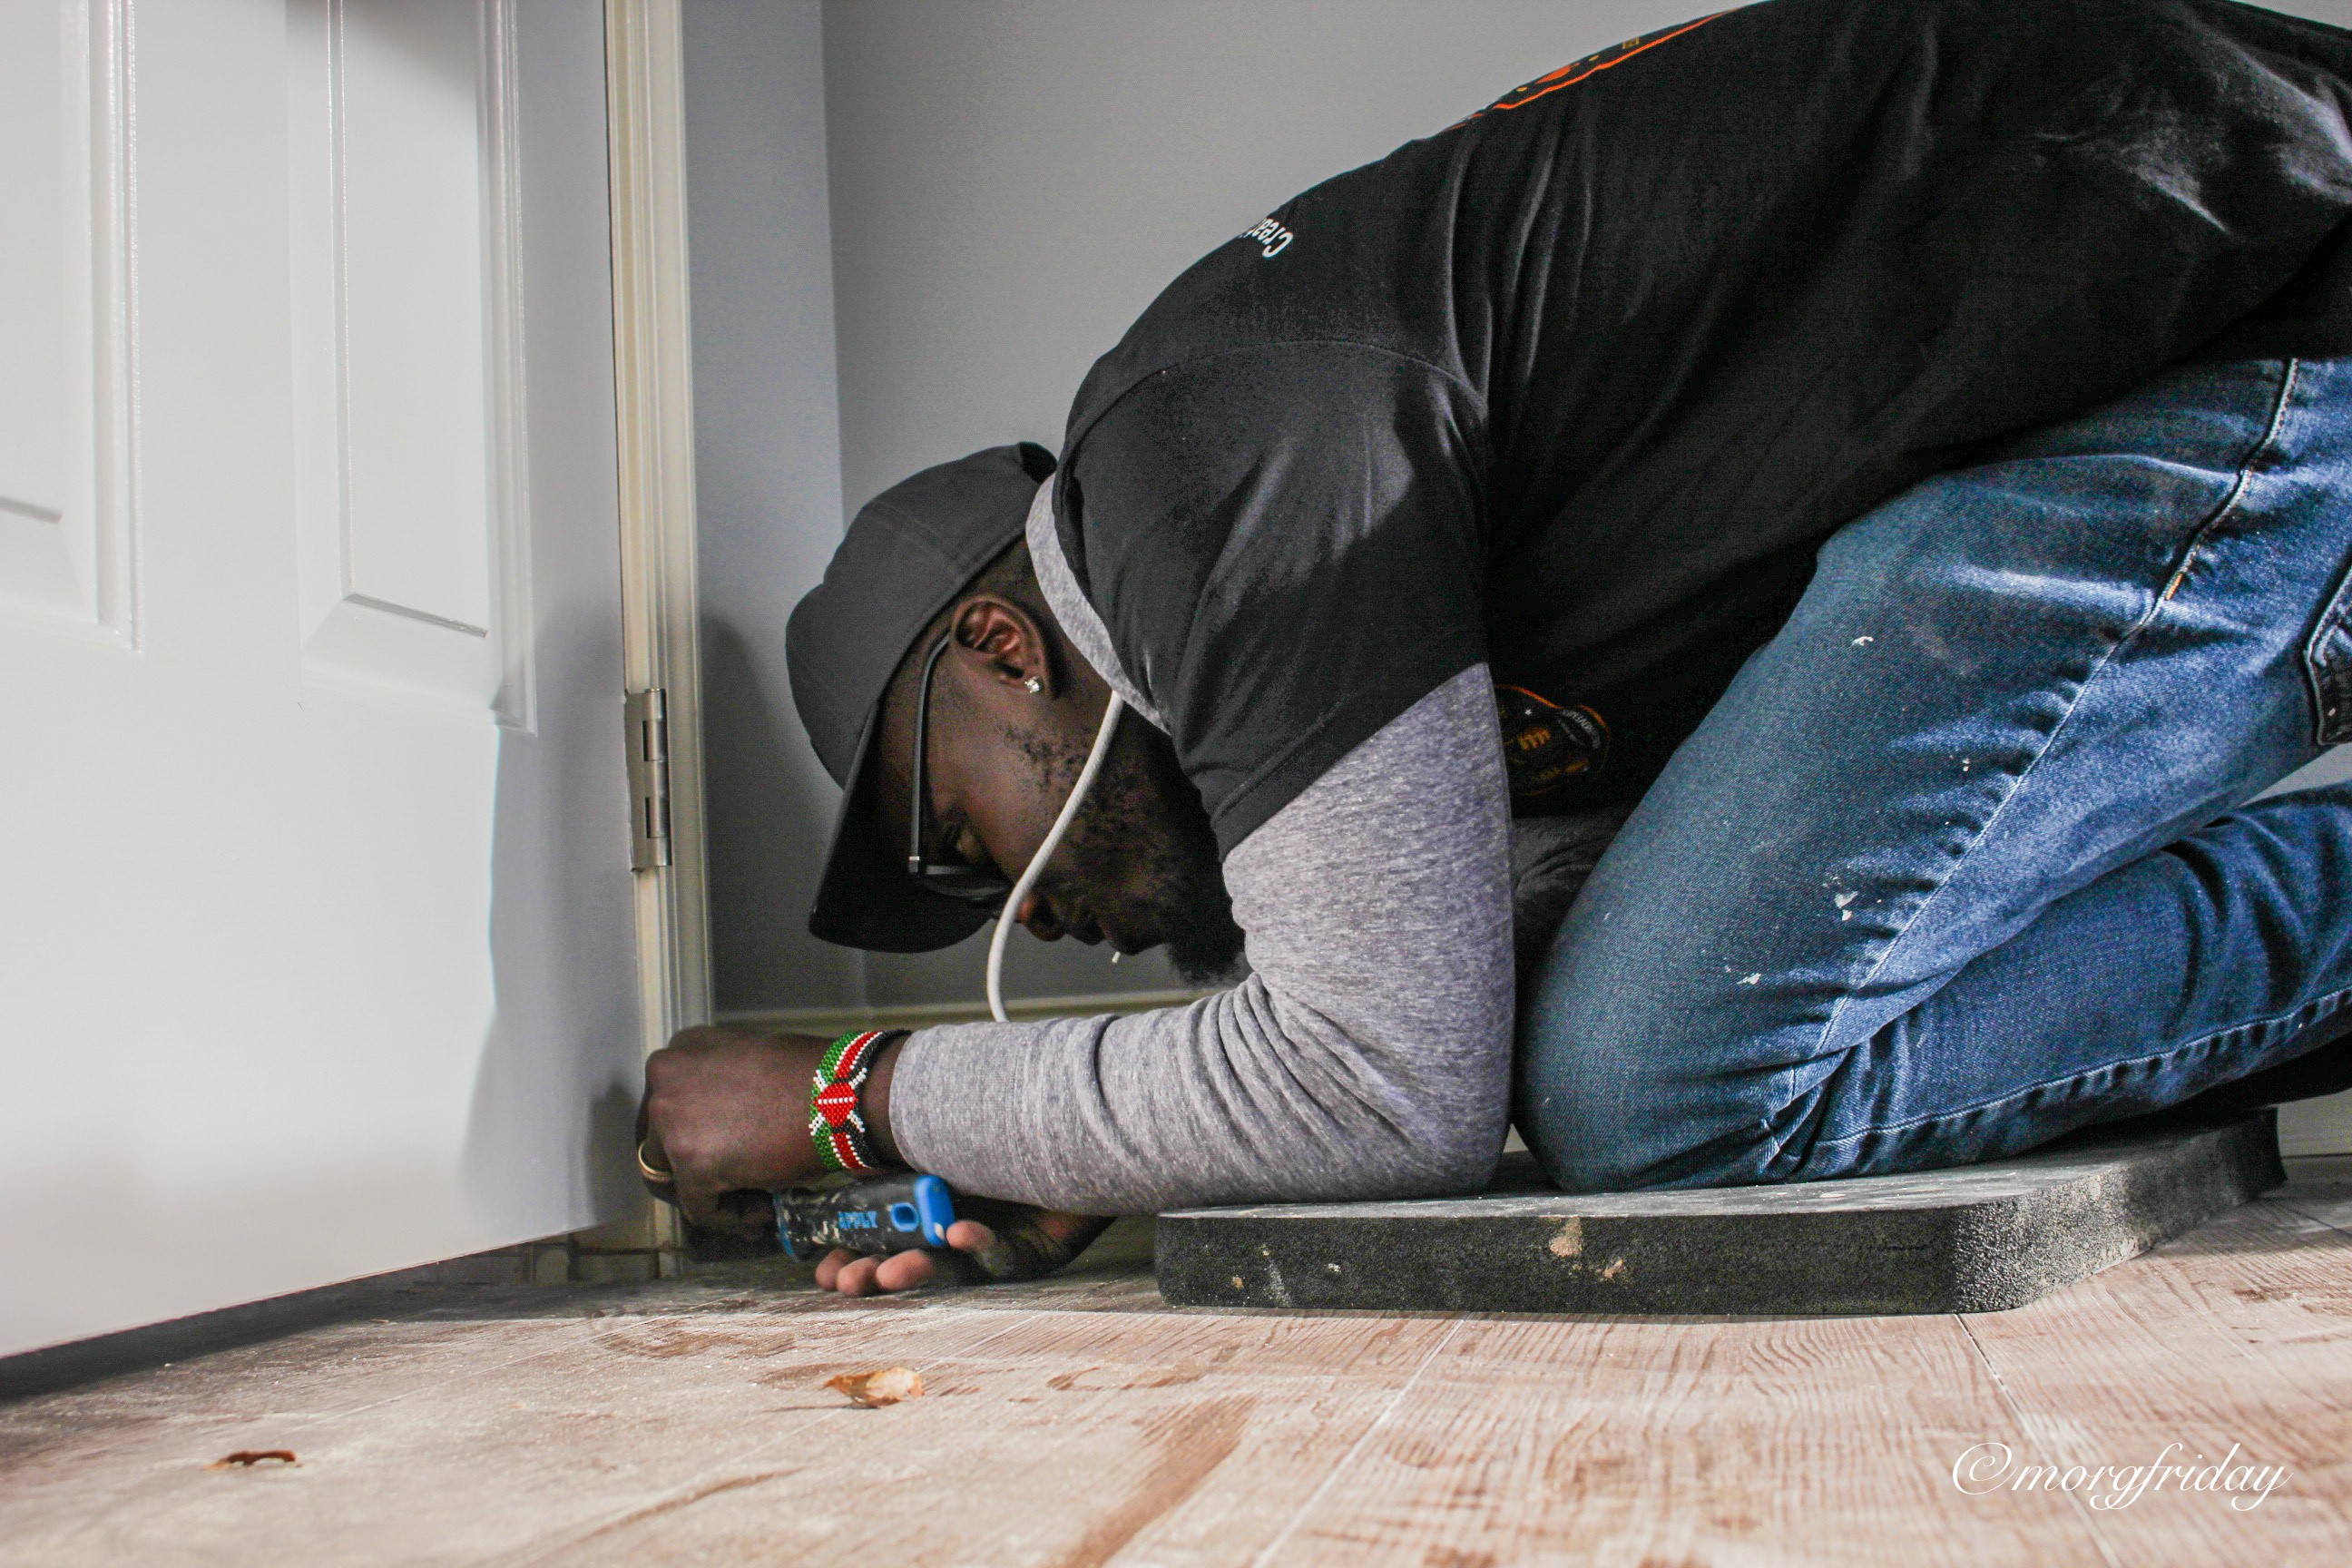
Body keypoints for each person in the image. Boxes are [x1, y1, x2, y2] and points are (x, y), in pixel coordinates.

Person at [638, 0, 2352, 1296]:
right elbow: (1469, 983)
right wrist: (1100, 1134)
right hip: (2133, 395)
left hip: (2243, 316)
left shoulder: (1188, 472)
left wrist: (850, 1095)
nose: (1023, 918)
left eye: (958, 838)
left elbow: (1386, 1092)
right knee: (1619, 1016)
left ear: (1003, 646)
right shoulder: (1259, 517)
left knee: (1659, 1088)